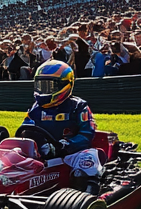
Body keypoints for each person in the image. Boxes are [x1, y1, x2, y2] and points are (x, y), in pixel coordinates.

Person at [16, 60, 102, 194]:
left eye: (49, 86)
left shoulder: (78, 107)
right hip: (43, 154)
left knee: (88, 157)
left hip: (70, 153)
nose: (44, 91)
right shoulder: (36, 108)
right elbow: (26, 129)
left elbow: (86, 134)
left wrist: (64, 146)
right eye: (41, 85)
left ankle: (90, 191)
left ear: (65, 85)